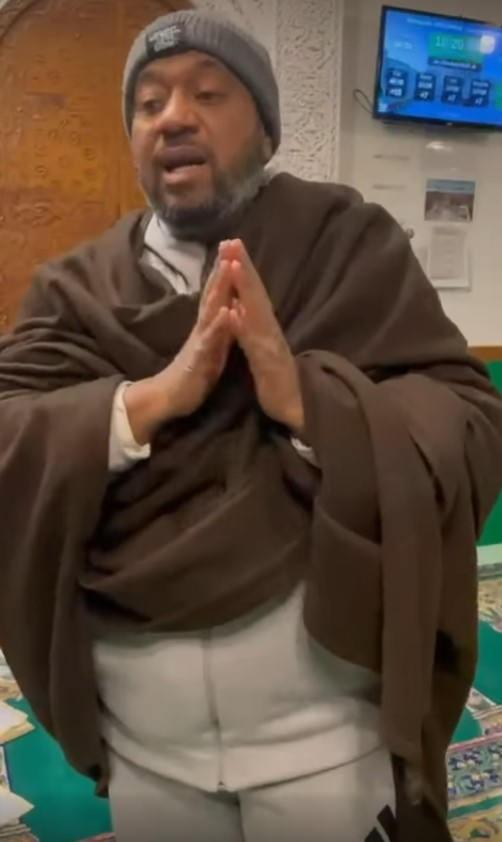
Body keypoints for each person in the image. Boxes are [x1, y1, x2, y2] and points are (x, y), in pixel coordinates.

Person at [0, 10, 501, 842]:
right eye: (149, 102)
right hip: (148, 747)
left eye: (208, 93)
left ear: (266, 128)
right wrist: (148, 402)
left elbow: (465, 415)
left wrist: (302, 395)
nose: (174, 117)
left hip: (326, 739)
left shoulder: (346, 245)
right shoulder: (75, 289)